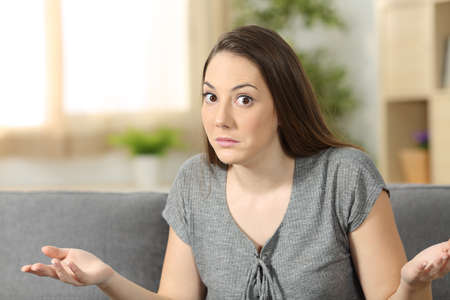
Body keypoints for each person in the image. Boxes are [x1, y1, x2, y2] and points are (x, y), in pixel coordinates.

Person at [21, 25, 449, 300]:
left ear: (283, 106)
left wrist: (413, 283)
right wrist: (106, 278)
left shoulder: (344, 176)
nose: (220, 118)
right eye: (211, 97)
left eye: (243, 99)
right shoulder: (195, 181)